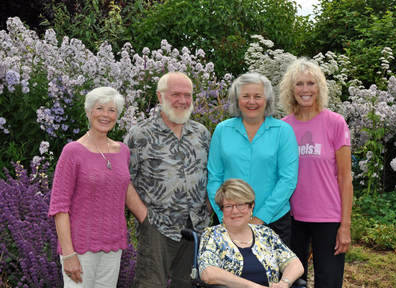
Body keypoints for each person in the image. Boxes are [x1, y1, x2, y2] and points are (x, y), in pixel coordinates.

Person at [48, 87, 147, 287]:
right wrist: (68, 254)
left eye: (111, 110)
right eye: (99, 108)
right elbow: (59, 206)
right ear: (88, 112)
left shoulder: (122, 151)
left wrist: (150, 221)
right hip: (80, 247)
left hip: (113, 246)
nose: (105, 115)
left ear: (117, 116)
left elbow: (123, 187)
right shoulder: (73, 151)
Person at [124, 72, 211, 288]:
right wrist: (145, 217)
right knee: (151, 284)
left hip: (195, 227)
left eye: (187, 95)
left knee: (188, 284)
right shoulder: (140, 135)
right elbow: (124, 180)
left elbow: (212, 173)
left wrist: (207, 209)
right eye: (176, 94)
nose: (182, 100)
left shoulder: (201, 133)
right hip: (157, 227)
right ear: (160, 97)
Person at [280, 58, 353, 287]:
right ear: (291, 89)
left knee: (329, 282)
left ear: (319, 87)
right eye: (299, 84)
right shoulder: (283, 126)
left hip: (329, 219)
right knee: (293, 282)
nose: (305, 89)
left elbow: (345, 177)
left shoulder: (335, 123)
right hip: (292, 219)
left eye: (311, 83)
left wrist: (345, 226)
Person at [207, 72, 298, 247]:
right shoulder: (222, 130)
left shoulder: (283, 131)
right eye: (245, 96)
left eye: (258, 96)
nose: (251, 102)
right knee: (229, 274)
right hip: (229, 222)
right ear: (236, 100)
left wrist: (259, 218)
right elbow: (214, 178)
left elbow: (288, 180)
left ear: (267, 100)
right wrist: (224, 215)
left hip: (274, 222)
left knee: (272, 274)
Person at [199, 178, 304, 288]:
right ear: (222, 210)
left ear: (251, 206)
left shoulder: (265, 234)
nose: (235, 211)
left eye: (240, 205)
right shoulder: (212, 235)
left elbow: (295, 264)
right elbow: (208, 273)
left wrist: (284, 283)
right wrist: (252, 286)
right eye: (228, 206)